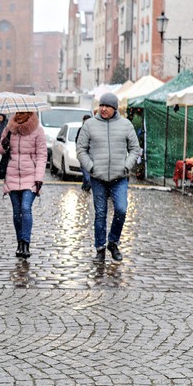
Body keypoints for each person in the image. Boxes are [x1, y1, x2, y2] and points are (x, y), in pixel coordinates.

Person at [76, 92, 141, 264]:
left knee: (121, 210)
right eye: (102, 106)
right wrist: (91, 167)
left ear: (115, 108)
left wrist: (126, 166)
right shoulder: (89, 125)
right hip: (98, 177)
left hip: (119, 177)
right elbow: (81, 149)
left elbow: (135, 149)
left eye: (107, 106)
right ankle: (100, 249)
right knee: (100, 214)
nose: (103, 109)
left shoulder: (126, 125)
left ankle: (113, 242)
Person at [0, 111, 46, 258]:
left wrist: (39, 177)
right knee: (16, 212)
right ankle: (19, 242)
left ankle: (25, 243)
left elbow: (42, 155)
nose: (19, 115)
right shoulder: (9, 129)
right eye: (17, 112)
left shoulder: (37, 130)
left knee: (25, 208)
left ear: (29, 113)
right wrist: (4, 145)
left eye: (22, 112)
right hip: (12, 175)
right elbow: (1, 150)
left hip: (30, 176)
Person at [77, 114, 92, 191]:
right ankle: (86, 187)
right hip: (84, 155)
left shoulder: (93, 130)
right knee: (87, 177)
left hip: (91, 156)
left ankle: (85, 188)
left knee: (88, 176)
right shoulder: (81, 130)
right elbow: (78, 142)